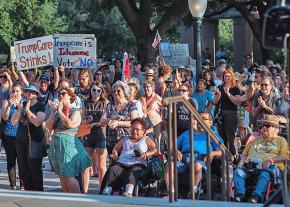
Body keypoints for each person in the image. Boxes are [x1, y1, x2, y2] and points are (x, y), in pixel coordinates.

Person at [46, 87, 92, 193]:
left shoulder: (75, 111)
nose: (60, 96)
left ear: (70, 96)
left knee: (68, 175)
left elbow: (69, 124)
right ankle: (67, 200)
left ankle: (78, 199)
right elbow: (49, 126)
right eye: (59, 94)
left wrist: (59, 112)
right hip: (57, 145)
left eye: (63, 94)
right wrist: (53, 112)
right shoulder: (58, 112)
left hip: (68, 144)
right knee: (63, 176)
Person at [233, 114, 289, 203]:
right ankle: (240, 194)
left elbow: (284, 157)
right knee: (238, 171)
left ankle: (256, 196)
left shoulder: (281, 140)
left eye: (267, 126)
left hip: (269, 167)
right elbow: (245, 153)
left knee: (265, 175)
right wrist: (241, 161)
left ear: (276, 129)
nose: (264, 128)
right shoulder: (256, 139)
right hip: (251, 166)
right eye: (263, 126)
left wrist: (270, 160)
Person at [165, 112, 223, 193]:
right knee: (170, 165)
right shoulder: (187, 133)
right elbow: (172, 145)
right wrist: (176, 151)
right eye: (198, 118)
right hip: (183, 158)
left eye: (203, 118)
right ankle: (171, 192)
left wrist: (212, 153)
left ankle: (193, 192)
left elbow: (222, 151)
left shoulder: (213, 135)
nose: (200, 120)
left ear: (210, 122)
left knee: (196, 165)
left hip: (200, 159)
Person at [101, 118, 157, 197]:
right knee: (113, 170)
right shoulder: (125, 139)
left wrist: (146, 154)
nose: (134, 131)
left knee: (132, 173)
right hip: (122, 162)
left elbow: (155, 150)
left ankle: (128, 192)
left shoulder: (146, 139)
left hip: (138, 163)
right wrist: (115, 155)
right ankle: (108, 191)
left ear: (143, 130)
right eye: (133, 129)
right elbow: (115, 149)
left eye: (137, 129)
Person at [11, 85, 46, 191]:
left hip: (34, 140)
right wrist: (19, 109)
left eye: (32, 92)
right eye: (27, 91)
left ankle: (38, 192)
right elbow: (13, 122)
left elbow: (37, 122)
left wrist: (27, 111)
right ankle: (28, 192)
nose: (29, 93)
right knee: (23, 169)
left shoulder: (40, 105)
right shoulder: (22, 104)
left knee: (34, 169)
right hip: (21, 139)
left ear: (36, 94)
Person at [81, 81, 109, 187]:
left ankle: (102, 189)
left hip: (101, 135)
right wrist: (87, 121)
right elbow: (82, 119)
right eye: (94, 90)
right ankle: (85, 190)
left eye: (98, 90)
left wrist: (95, 123)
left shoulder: (105, 102)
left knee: (102, 166)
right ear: (90, 90)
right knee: (85, 165)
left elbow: (106, 120)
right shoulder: (86, 102)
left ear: (101, 92)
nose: (96, 92)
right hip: (88, 135)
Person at [105, 81, 138, 153]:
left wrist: (119, 123)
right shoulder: (110, 105)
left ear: (124, 92)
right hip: (112, 143)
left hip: (127, 142)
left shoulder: (131, 105)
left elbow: (135, 123)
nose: (115, 93)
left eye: (118, 91)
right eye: (114, 91)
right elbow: (102, 121)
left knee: (126, 163)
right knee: (113, 163)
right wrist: (113, 119)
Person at [1, 83, 24, 190]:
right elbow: (5, 118)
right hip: (9, 135)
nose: (15, 93)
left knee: (22, 161)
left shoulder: (24, 102)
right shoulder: (6, 101)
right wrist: (9, 106)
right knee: (11, 161)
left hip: (21, 135)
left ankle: (23, 184)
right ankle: (13, 185)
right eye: (13, 91)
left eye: (17, 91)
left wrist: (20, 107)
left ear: (21, 92)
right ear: (10, 92)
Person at [214, 69, 241, 155]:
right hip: (221, 114)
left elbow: (237, 102)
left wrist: (228, 93)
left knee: (231, 137)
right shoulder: (220, 87)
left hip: (231, 114)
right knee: (222, 136)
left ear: (232, 77)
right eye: (225, 76)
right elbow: (215, 102)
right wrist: (218, 95)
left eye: (229, 76)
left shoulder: (235, 88)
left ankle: (234, 156)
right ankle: (223, 156)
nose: (227, 78)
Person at [141, 80, 162, 149]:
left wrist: (161, 114)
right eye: (145, 87)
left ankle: (159, 154)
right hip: (147, 123)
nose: (146, 89)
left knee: (156, 140)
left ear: (152, 88)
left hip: (155, 121)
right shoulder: (142, 98)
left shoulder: (156, 96)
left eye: (148, 87)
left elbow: (164, 104)